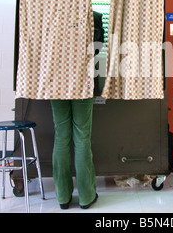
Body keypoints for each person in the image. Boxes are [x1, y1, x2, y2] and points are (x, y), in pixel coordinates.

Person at [50, 11, 104, 210]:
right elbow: (97, 49)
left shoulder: (53, 14)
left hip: (56, 81)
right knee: (82, 137)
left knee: (61, 136)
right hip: (84, 80)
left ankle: (63, 197)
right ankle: (86, 197)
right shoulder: (94, 16)